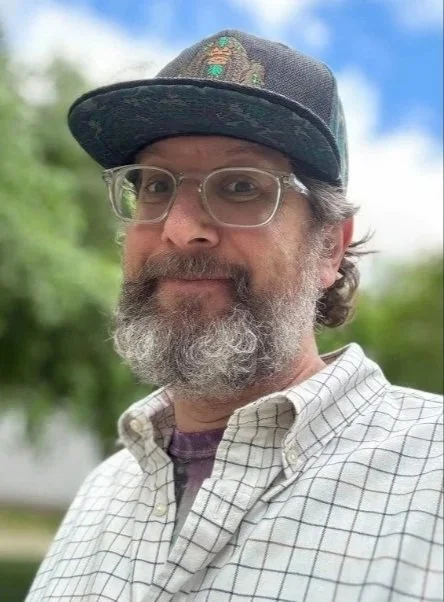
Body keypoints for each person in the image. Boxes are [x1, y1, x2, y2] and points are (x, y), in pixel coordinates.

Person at [26, 30, 442, 602]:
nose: (179, 229)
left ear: (328, 247)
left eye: (241, 186)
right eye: (154, 186)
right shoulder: (102, 492)